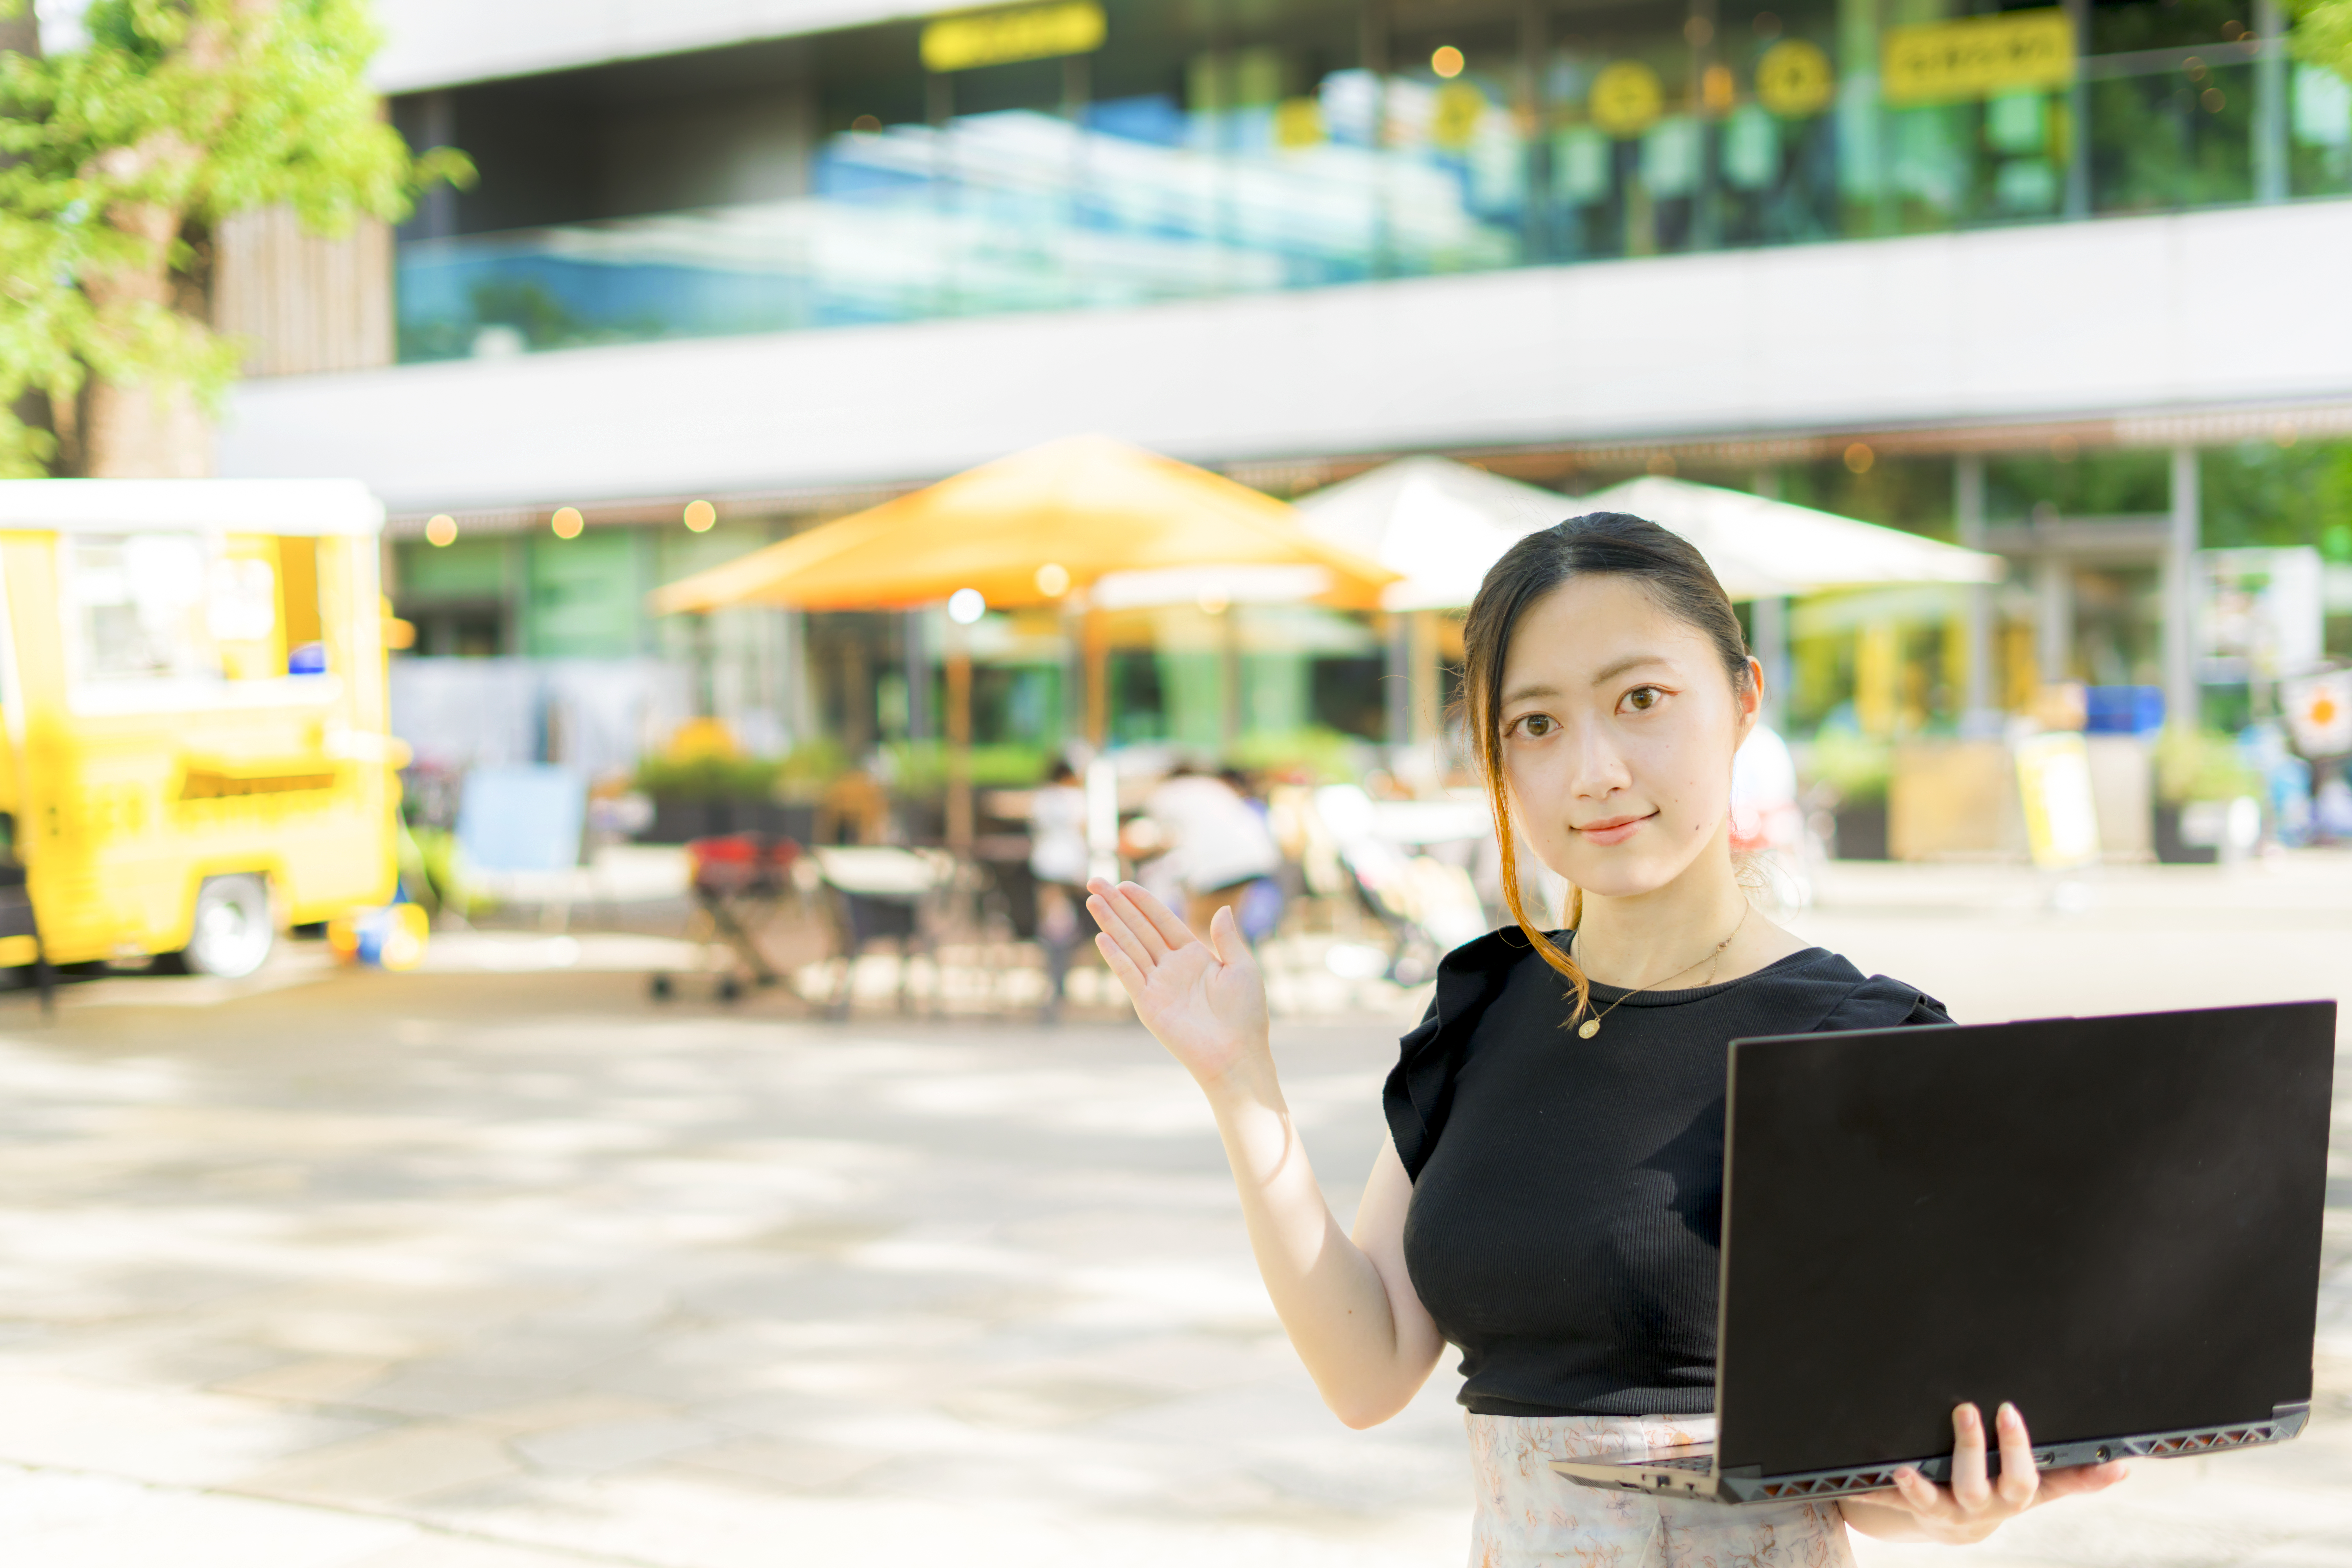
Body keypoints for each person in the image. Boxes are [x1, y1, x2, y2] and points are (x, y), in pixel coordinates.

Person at [1085, 514, 2127, 1565]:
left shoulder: (1861, 1040)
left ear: (1743, 699)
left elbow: (1871, 1483)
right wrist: (1239, 1076)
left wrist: (1968, 1503)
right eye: (1535, 724)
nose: (1594, 770)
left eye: (1641, 700)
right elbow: (1368, 1370)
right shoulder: (1482, 1007)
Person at [1133, 763, 1282, 938]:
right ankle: (1241, 963)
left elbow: (1163, 838)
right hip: (1252, 857)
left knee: (1201, 928)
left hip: (1214, 865)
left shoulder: (1165, 795)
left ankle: (1207, 964)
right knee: (1228, 929)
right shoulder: (1212, 786)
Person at [1028, 760, 1089, 1021]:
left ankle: (1054, 985)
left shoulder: (1042, 799)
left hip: (1046, 867)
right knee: (1070, 927)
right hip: (1075, 869)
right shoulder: (1076, 798)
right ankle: (1059, 983)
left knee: (1054, 926)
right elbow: (1084, 829)